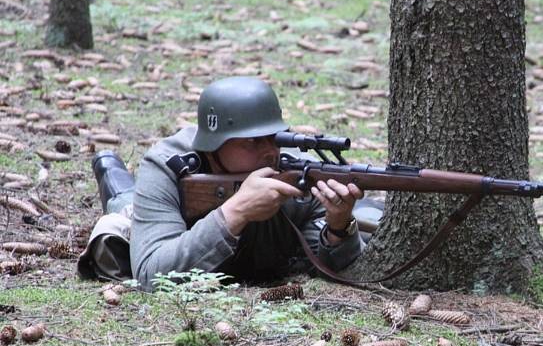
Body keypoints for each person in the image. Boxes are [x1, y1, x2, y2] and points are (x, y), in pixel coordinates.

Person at [78, 76, 367, 291]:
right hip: (147, 205)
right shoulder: (167, 166)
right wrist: (235, 213)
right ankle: (109, 168)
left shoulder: (296, 170)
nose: (269, 151)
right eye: (252, 142)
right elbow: (151, 275)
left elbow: (329, 262)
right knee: (123, 207)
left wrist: (340, 225)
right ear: (214, 146)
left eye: (274, 137)